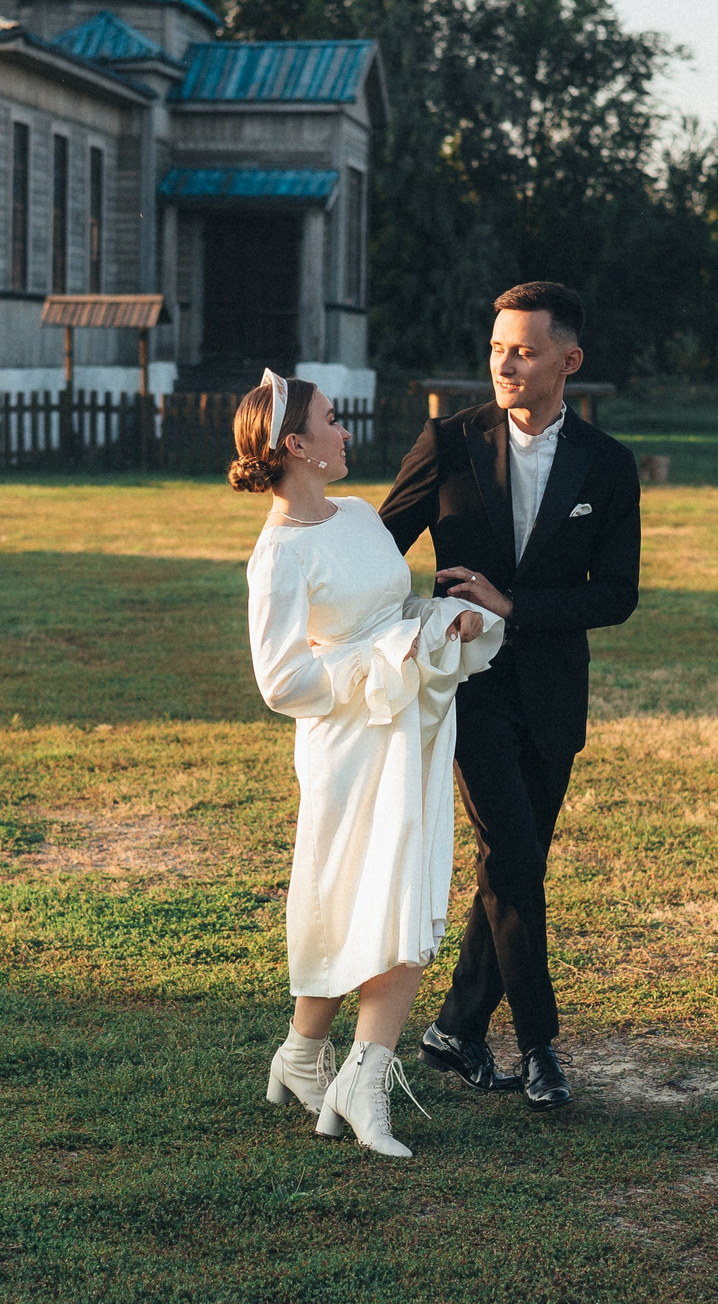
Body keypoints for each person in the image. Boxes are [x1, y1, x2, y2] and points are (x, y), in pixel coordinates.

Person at [378, 282, 642, 1110]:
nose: (505, 364)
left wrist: (516, 604)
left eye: (524, 350)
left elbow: (617, 594)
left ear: (569, 361)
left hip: (557, 695)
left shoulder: (609, 464)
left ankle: (455, 1028)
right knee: (518, 858)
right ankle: (540, 1046)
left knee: (511, 863)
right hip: (471, 688)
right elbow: (385, 549)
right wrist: (417, 620)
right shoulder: (448, 441)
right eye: (497, 348)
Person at [239, 369, 505, 1159]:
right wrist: (383, 663)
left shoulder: (357, 515)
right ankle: (363, 1080)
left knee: (391, 888)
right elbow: (283, 680)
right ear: (297, 446)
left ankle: (306, 1057)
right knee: (371, 895)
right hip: (351, 743)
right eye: (331, 420)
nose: (345, 430)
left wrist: (435, 624)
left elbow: (385, 611)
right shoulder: (280, 555)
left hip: (412, 724)